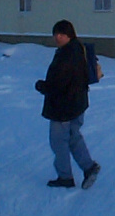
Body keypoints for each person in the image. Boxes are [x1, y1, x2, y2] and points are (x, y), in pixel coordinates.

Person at [34, 20, 100, 189]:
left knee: (59, 142)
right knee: (73, 137)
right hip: (78, 103)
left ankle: (65, 177)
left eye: (61, 34)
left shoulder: (66, 55)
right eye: (55, 34)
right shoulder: (78, 49)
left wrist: (42, 86)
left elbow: (58, 84)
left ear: (69, 35)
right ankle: (89, 167)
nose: (57, 37)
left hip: (63, 107)